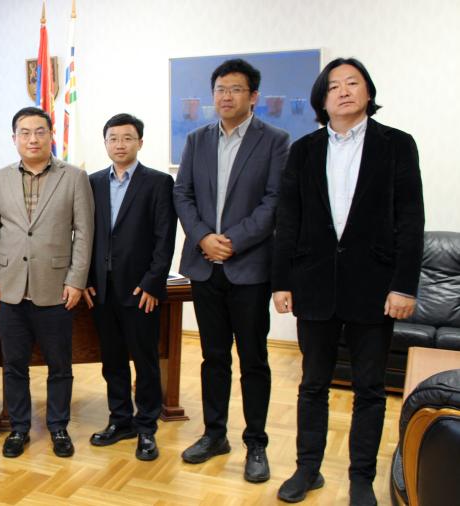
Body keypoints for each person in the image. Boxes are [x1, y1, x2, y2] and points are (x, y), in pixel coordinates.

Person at [272, 57, 424, 505]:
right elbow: (288, 219)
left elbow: (410, 219)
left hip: (374, 288)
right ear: (322, 100)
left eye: (352, 83)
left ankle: (361, 478)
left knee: (370, 390)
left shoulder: (396, 145)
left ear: (368, 93)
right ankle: (307, 469)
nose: (343, 91)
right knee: (312, 385)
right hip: (314, 284)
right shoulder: (304, 149)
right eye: (333, 85)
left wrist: (404, 285)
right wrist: (282, 281)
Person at [172, 58, 289, 483]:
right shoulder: (197, 139)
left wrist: (233, 241)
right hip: (205, 267)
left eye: (235, 89)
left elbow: (274, 201)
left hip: (249, 267)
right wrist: (203, 237)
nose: (226, 96)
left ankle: (256, 443)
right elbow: (182, 194)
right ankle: (214, 434)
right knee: (213, 357)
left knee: (253, 359)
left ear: (253, 96)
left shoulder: (275, 141)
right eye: (220, 89)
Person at [0, 106, 94, 459]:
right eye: (25, 132)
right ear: (14, 138)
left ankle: (58, 427)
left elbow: (84, 233)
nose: (32, 139)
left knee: (60, 365)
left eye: (39, 131)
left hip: (57, 288)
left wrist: (76, 280)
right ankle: (19, 428)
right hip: (10, 288)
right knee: (14, 365)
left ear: (50, 135)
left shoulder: (74, 177)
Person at [83, 113, 176, 461]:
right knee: (112, 360)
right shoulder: (92, 182)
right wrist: (86, 280)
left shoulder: (158, 183)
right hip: (102, 289)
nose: (119, 144)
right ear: (105, 143)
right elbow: (84, 234)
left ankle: (146, 427)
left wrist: (153, 282)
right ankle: (120, 420)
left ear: (140, 142)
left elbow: (165, 237)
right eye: (113, 138)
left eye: (127, 138)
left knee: (146, 361)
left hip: (140, 290)